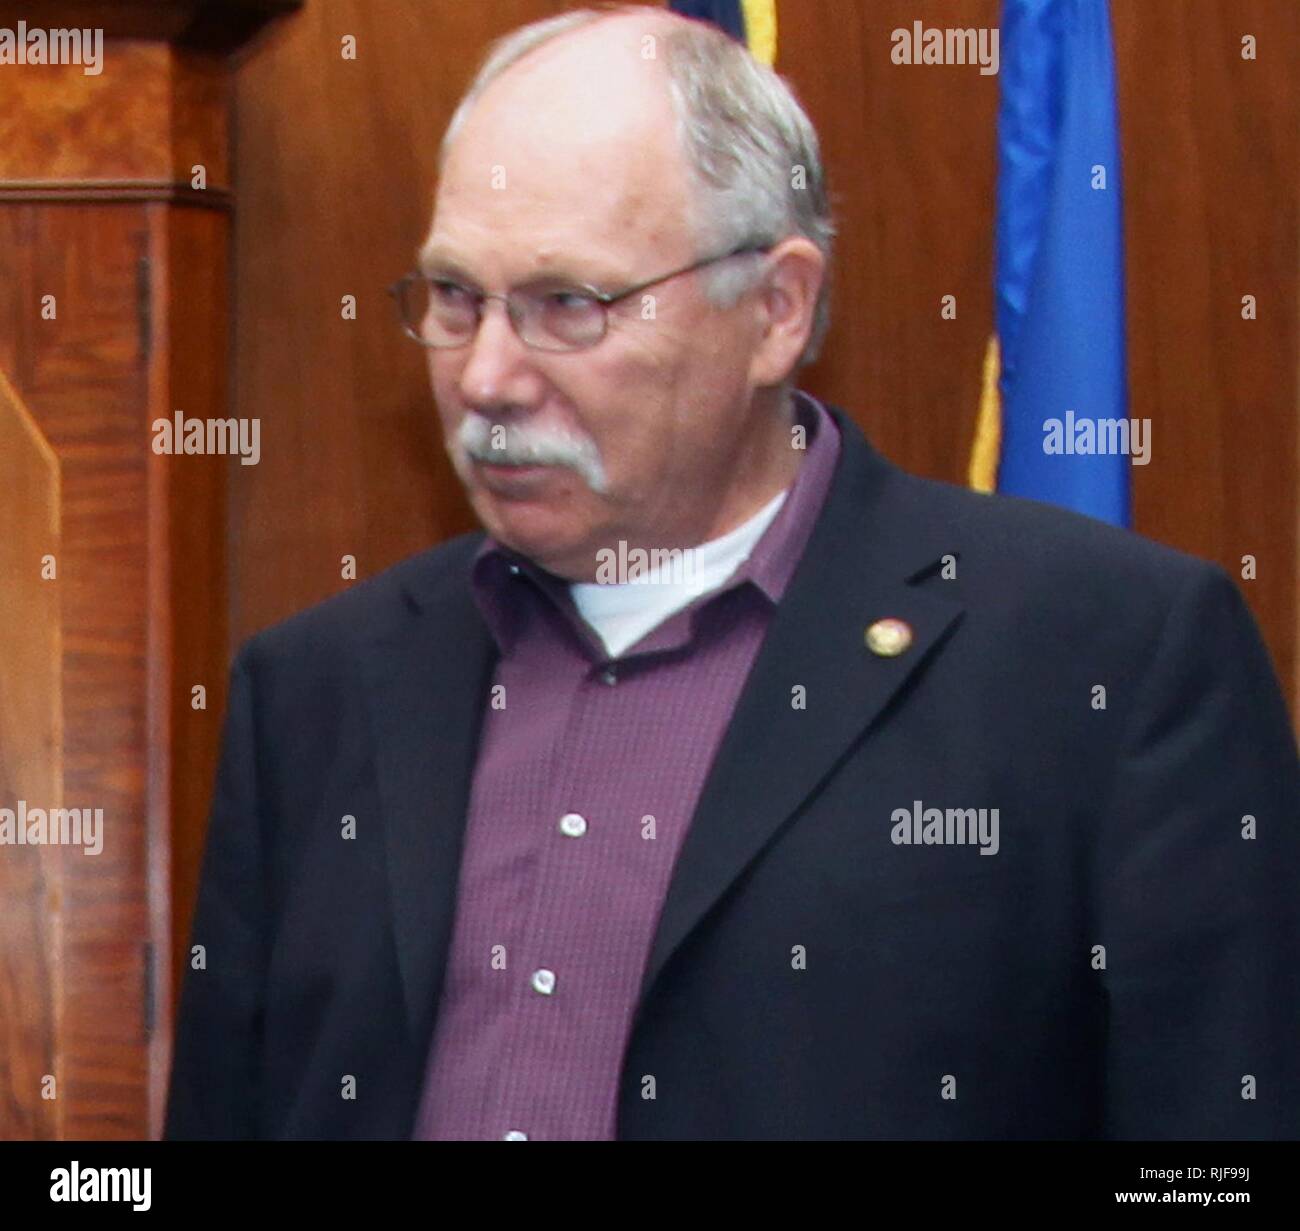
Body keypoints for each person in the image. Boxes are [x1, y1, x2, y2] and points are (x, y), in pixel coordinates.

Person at [164, 5, 1300, 1140]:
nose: (489, 376)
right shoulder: (314, 688)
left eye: (568, 304)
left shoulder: (1105, 659)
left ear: (774, 309)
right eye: (456, 298)